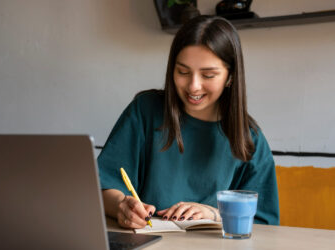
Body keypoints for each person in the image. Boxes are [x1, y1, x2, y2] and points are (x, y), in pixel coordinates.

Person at [97, 15, 280, 229]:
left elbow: (265, 224)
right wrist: (121, 205)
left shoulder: (250, 139)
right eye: (183, 72)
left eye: (208, 75)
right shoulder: (145, 111)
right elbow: (101, 187)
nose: (193, 86)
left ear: (230, 77)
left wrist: (214, 214)